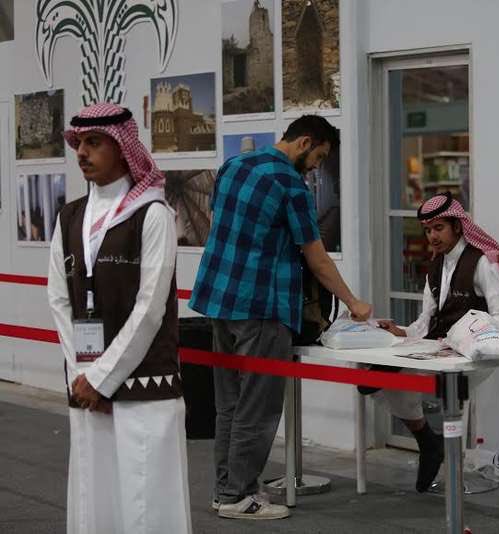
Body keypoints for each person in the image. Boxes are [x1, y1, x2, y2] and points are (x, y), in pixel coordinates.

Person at [189, 114, 372, 520]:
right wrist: (353, 302)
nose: (315, 168)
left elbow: (223, 223)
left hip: (220, 300)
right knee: (258, 407)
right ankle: (238, 496)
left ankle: (226, 490)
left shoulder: (234, 165)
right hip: (263, 307)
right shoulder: (291, 184)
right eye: (318, 157)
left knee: (229, 406)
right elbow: (316, 258)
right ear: (305, 142)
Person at [47, 103, 191, 533]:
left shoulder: (154, 215)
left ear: (123, 149)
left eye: (94, 143)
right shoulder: (69, 218)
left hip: (145, 390)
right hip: (86, 386)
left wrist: (102, 377)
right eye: (79, 143)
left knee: (146, 503)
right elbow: (59, 298)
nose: (82, 153)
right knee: (95, 501)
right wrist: (84, 374)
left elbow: (150, 309)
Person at [364, 192, 499, 493]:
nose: (432, 237)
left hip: (473, 357)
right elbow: (425, 322)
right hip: (437, 351)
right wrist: (400, 332)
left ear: (458, 227)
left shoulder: (482, 263)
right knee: (373, 375)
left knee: (387, 376)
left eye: (438, 228)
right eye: (428, 230)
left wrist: (469, 336)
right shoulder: (435, 267)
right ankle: (427, 440)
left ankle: (431, 445)